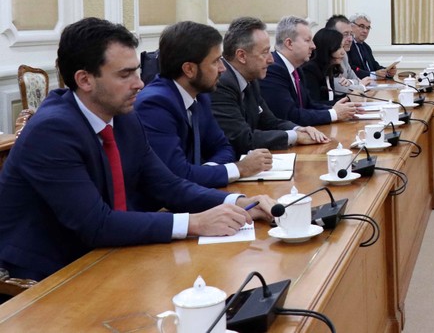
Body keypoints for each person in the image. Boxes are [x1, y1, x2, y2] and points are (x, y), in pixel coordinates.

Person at [0, 18, 274, 282]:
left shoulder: (124, 118)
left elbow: (169, 185)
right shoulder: (52, 131)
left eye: (136, 71)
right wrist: (195, 223)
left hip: (112, 253)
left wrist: (239, 203)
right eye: (125, 74)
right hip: (50, 273)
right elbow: (97, 224)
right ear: (85, 80)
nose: (139, 83)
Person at [135, 21, 272, 190]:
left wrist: (205, 172)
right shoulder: (155, 105)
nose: (222, 69)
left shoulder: (200, 96)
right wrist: (239, 168)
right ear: (189, 69)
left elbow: (223, 147)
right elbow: (178, 175)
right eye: (215, 62)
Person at [210, 16, 330, 155]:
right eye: (265, 52)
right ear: (242, 56)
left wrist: (298, 129)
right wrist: (295, 137)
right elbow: (242, 138)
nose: (271, 59)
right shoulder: (222, 84)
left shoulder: (251, 79)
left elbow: (270, 121)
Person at [260, 16, 359, 126]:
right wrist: (333, 113)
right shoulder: (273, 70)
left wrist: (344, 109)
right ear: (289, 44)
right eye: (307, 40)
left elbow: (309, 105)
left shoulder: (296, 69)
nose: (313, 46)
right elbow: (289, 115)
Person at [327, 14, 373, 95]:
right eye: (345, 34)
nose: (350, 39)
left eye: (351, 34)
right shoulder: (325, 56)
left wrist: (350, 81)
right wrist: (361, 86)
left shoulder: (344, 54)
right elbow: (337, 87)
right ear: (332, 35)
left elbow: (356, 79)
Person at [300, 28, 346, 106]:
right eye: (339, 47)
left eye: (343, 47)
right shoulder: (310, 70)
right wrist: (348, 100)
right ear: (326, 47)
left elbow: (330, 99)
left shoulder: (328, 68)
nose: (343, 52)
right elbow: (314, 104)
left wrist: (350, 97)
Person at [347, 13, 397, 79]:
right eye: (361, 26)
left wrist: (387, 71)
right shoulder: (347, 46)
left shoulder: (366, 47)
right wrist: (373, 75)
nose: (365, 31)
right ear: (351, 26)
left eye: (368, 28)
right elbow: (351, 69)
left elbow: (375, 66)